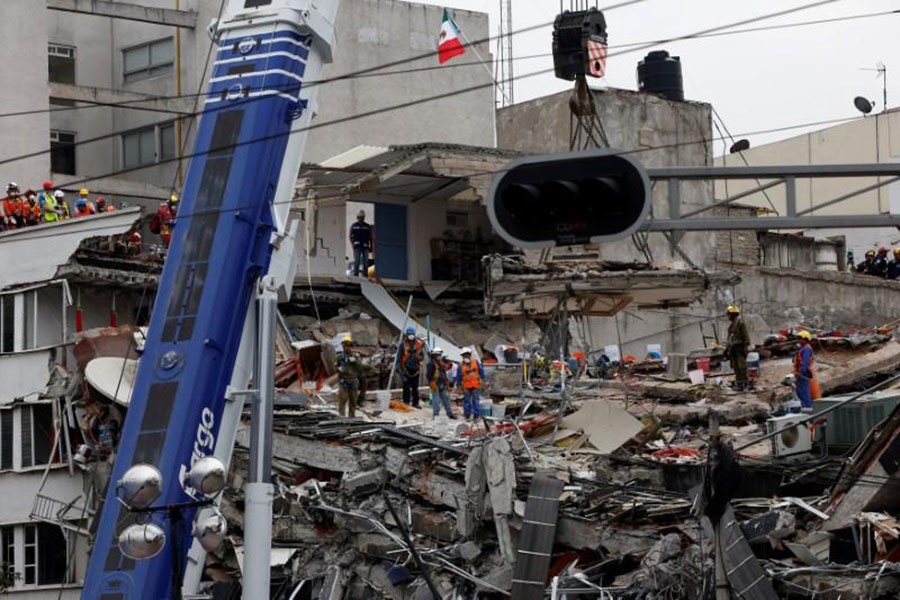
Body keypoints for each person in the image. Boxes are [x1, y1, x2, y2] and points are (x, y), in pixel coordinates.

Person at [455, 347, 487, 421]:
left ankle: (476, 416)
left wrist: (484, 380)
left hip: (475, 385)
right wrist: (458, 386)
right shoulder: (460, 365)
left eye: (466, 355)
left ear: (469, 355)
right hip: (466, 386)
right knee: (467, 402)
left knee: (476, 401)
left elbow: (481, 372)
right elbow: (458, 376)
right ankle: (467, 416)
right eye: (463, 356)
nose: (465, 357)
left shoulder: (475, 362)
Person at [335, 336, 363, 417]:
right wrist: (339, 369)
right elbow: (335, 367)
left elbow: (360, 368)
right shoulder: (339, 357)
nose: (347, 348)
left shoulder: (355, 356)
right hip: (343, 381)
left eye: (348, 346)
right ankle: (342, 417)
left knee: (353, 401)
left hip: (353, 380)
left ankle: (351, 417)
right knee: (342, 400)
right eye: (345, 346)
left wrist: (355, 361)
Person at [725, 305, 751, 391]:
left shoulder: (740, 324)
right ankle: (739, 383)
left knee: (742, 366)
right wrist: (727, 349)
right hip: (733, 349)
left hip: (740, 348)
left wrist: (745, 348)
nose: (728, 316)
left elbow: (746, 337)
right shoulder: (731, 326)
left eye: (729, 314)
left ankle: (745, 383)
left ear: (733, 314)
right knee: (736, 367)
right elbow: (729, 339)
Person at [426, 347, 456, 419]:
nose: (439, 356)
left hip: (442, 384)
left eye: (440, 355)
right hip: (435, 384)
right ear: (434, 355)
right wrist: (431, 383)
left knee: (446, 399)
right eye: (438, 355)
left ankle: (450, 414)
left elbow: (443, 374)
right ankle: (436, 415)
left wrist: (446, 382)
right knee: (436, 400)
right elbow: (429, 375)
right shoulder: (431, 364)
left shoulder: (440, 364)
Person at [397, 327, 424, 408]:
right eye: (409, 334)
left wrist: (416, 355)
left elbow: (422, 356)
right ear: (407, 335)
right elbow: (399, 358)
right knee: (406, 387)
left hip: (415, 370)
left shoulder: (419, 344)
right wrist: (400, 371)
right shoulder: (403, 345)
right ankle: (406, 402)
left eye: (412, 334)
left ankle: (415, 403)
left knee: (415, 388)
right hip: (406, 369)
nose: (411, 336)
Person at [793, 331, 815, 411]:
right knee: (800, 392)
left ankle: (807, 409)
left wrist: (800, 372)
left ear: (805, 339)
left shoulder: (806, 349)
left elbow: (805, 362)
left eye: (800, 338)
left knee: (804, 393)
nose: (798, 340)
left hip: (803, 374)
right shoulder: (803, 349)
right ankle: (805, 408)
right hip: (801, 373)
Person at [349, 209, 373, 277]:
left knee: (365, 262)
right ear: (357, 217)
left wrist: (371, 246)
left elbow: (370, 237)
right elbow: (350, 236)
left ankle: (365, 275)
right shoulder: (354, 226)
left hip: (365, 246)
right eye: (359, 217)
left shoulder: (367, 226)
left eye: (362, 217)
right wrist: (352, 244)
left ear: (364, 218)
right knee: (357, 261)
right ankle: (356, 275)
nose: (361, 219)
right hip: (357, 246)